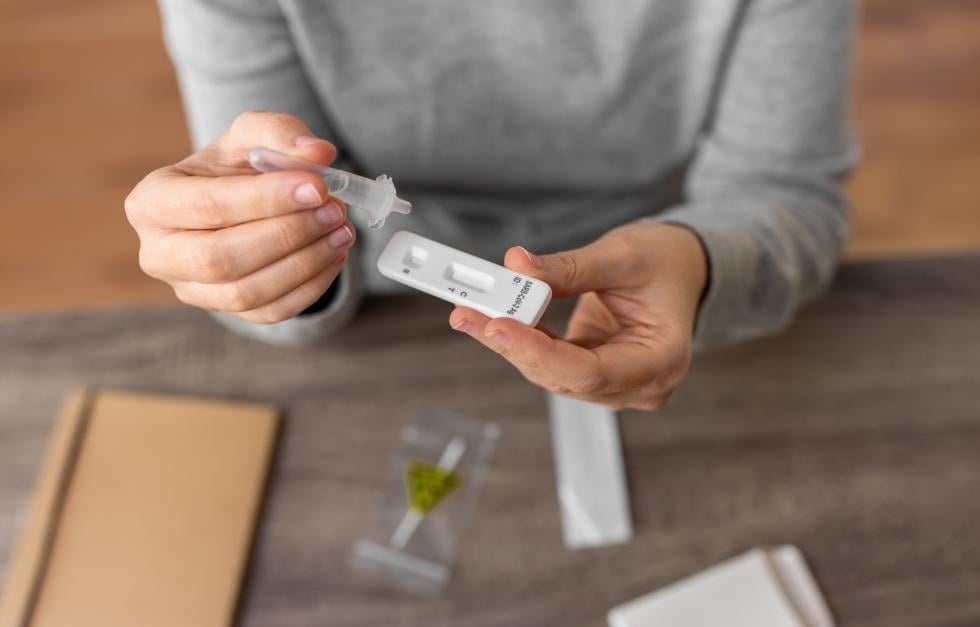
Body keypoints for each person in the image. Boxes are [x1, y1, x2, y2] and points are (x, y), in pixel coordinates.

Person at [125, 1, 858, 411]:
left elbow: (788, 196)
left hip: (648, 289)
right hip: (380, 312)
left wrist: (701, 261)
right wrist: (269, 268)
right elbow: (259, 216)